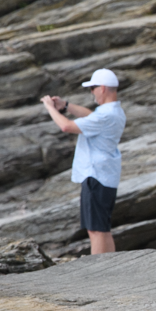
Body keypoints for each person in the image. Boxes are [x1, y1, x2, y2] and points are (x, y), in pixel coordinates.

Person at [41, 68, 127, 256]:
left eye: (92, 88)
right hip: (106, 175)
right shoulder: (114, 111)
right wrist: (65, 106)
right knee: (102, 228)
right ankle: (111, 265)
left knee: (95, 230)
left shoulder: (105, 115)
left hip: (95, 175)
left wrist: (50, 108)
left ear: (102, 88)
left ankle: (99, 269)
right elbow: (89, 116)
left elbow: (66, 126)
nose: (92, 92)